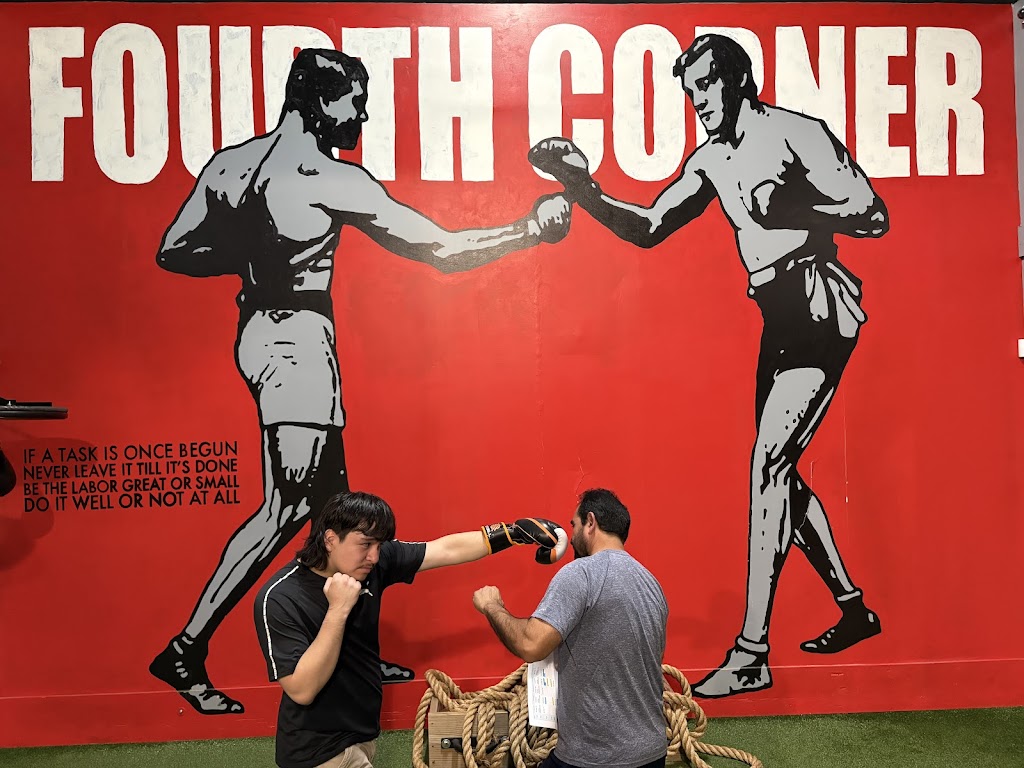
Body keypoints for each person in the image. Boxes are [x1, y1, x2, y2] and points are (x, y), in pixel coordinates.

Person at [150, 48, 571, 714]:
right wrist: (528, 230)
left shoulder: (232, 164)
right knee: (289, 509)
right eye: (355, 102)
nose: (363, 116)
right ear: (320, 101)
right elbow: (439, 248)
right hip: (296, 342)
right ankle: (185, 648)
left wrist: (255, 250)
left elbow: (176, 249)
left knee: (336, 510)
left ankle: (350, 646)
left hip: (258, 330)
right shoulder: (327, 176)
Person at [528, 34, 886, 698]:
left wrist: (794, 207)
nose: (697, 103)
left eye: (705, 88)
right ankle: (853, 608)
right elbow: (649, 227)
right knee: (782, 478)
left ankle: (751, 652)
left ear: (737, 80)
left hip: (818, 300)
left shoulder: (797, 133)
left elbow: (872, 214)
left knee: (767, 467)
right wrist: (582, 188)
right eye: (690, 93)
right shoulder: (712, 157)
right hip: (777, 315)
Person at [255, 490, 568, 768]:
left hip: (360, 736)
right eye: (365, 545)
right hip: (318, 751)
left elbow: (444, 550)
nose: (374, 556)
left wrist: (511, 533)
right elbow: (302, 689)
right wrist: (338, 609)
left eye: (379, 545)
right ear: (330, 539)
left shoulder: (370, 564)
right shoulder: (281, 596)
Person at [473, 488, 669, 768]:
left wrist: (492, 606)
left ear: (590, 522)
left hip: (594, 760)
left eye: (573, 525)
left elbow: (530, 645)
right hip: (652, 754)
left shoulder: (581, 573)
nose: (572, 534)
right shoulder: (652, 584)